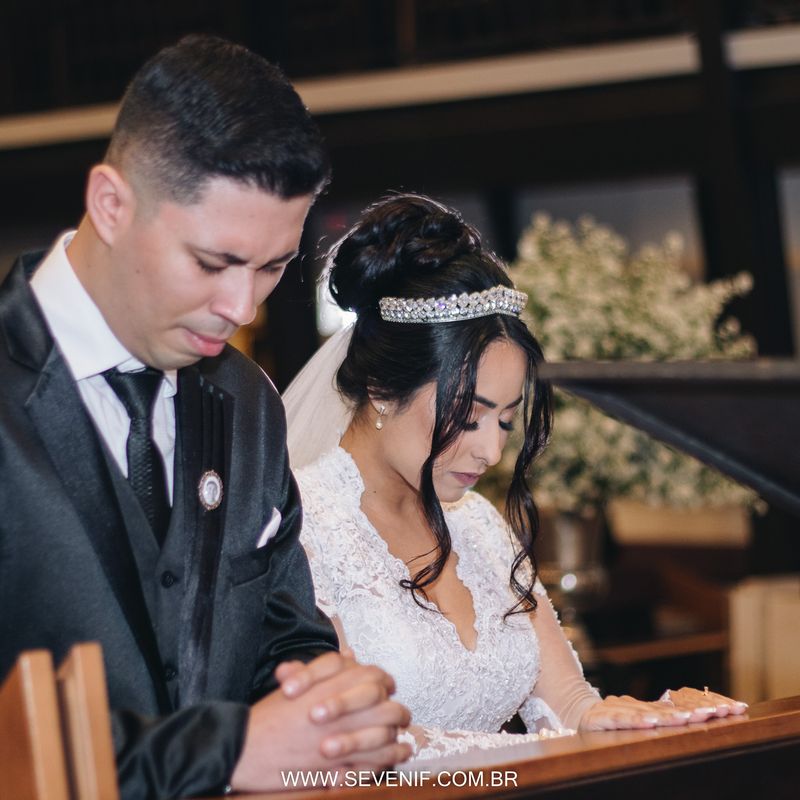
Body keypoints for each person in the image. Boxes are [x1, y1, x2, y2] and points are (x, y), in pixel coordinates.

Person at [0, 35, 410, 799]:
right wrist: (225, 752)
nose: (242, 306)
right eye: (214, 263)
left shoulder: (247, 401)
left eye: (273, 266)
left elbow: (288, 634)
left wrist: (331, 708)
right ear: (111, 205)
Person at [283, 194, 747, 758]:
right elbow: (358, 743)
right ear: (382, 390)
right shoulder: (301, 527)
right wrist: (527, 755)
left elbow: (569, 704)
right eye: (470, 416)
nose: (492, 452)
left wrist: (633, 718)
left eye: (506, 420)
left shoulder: (477, 524)